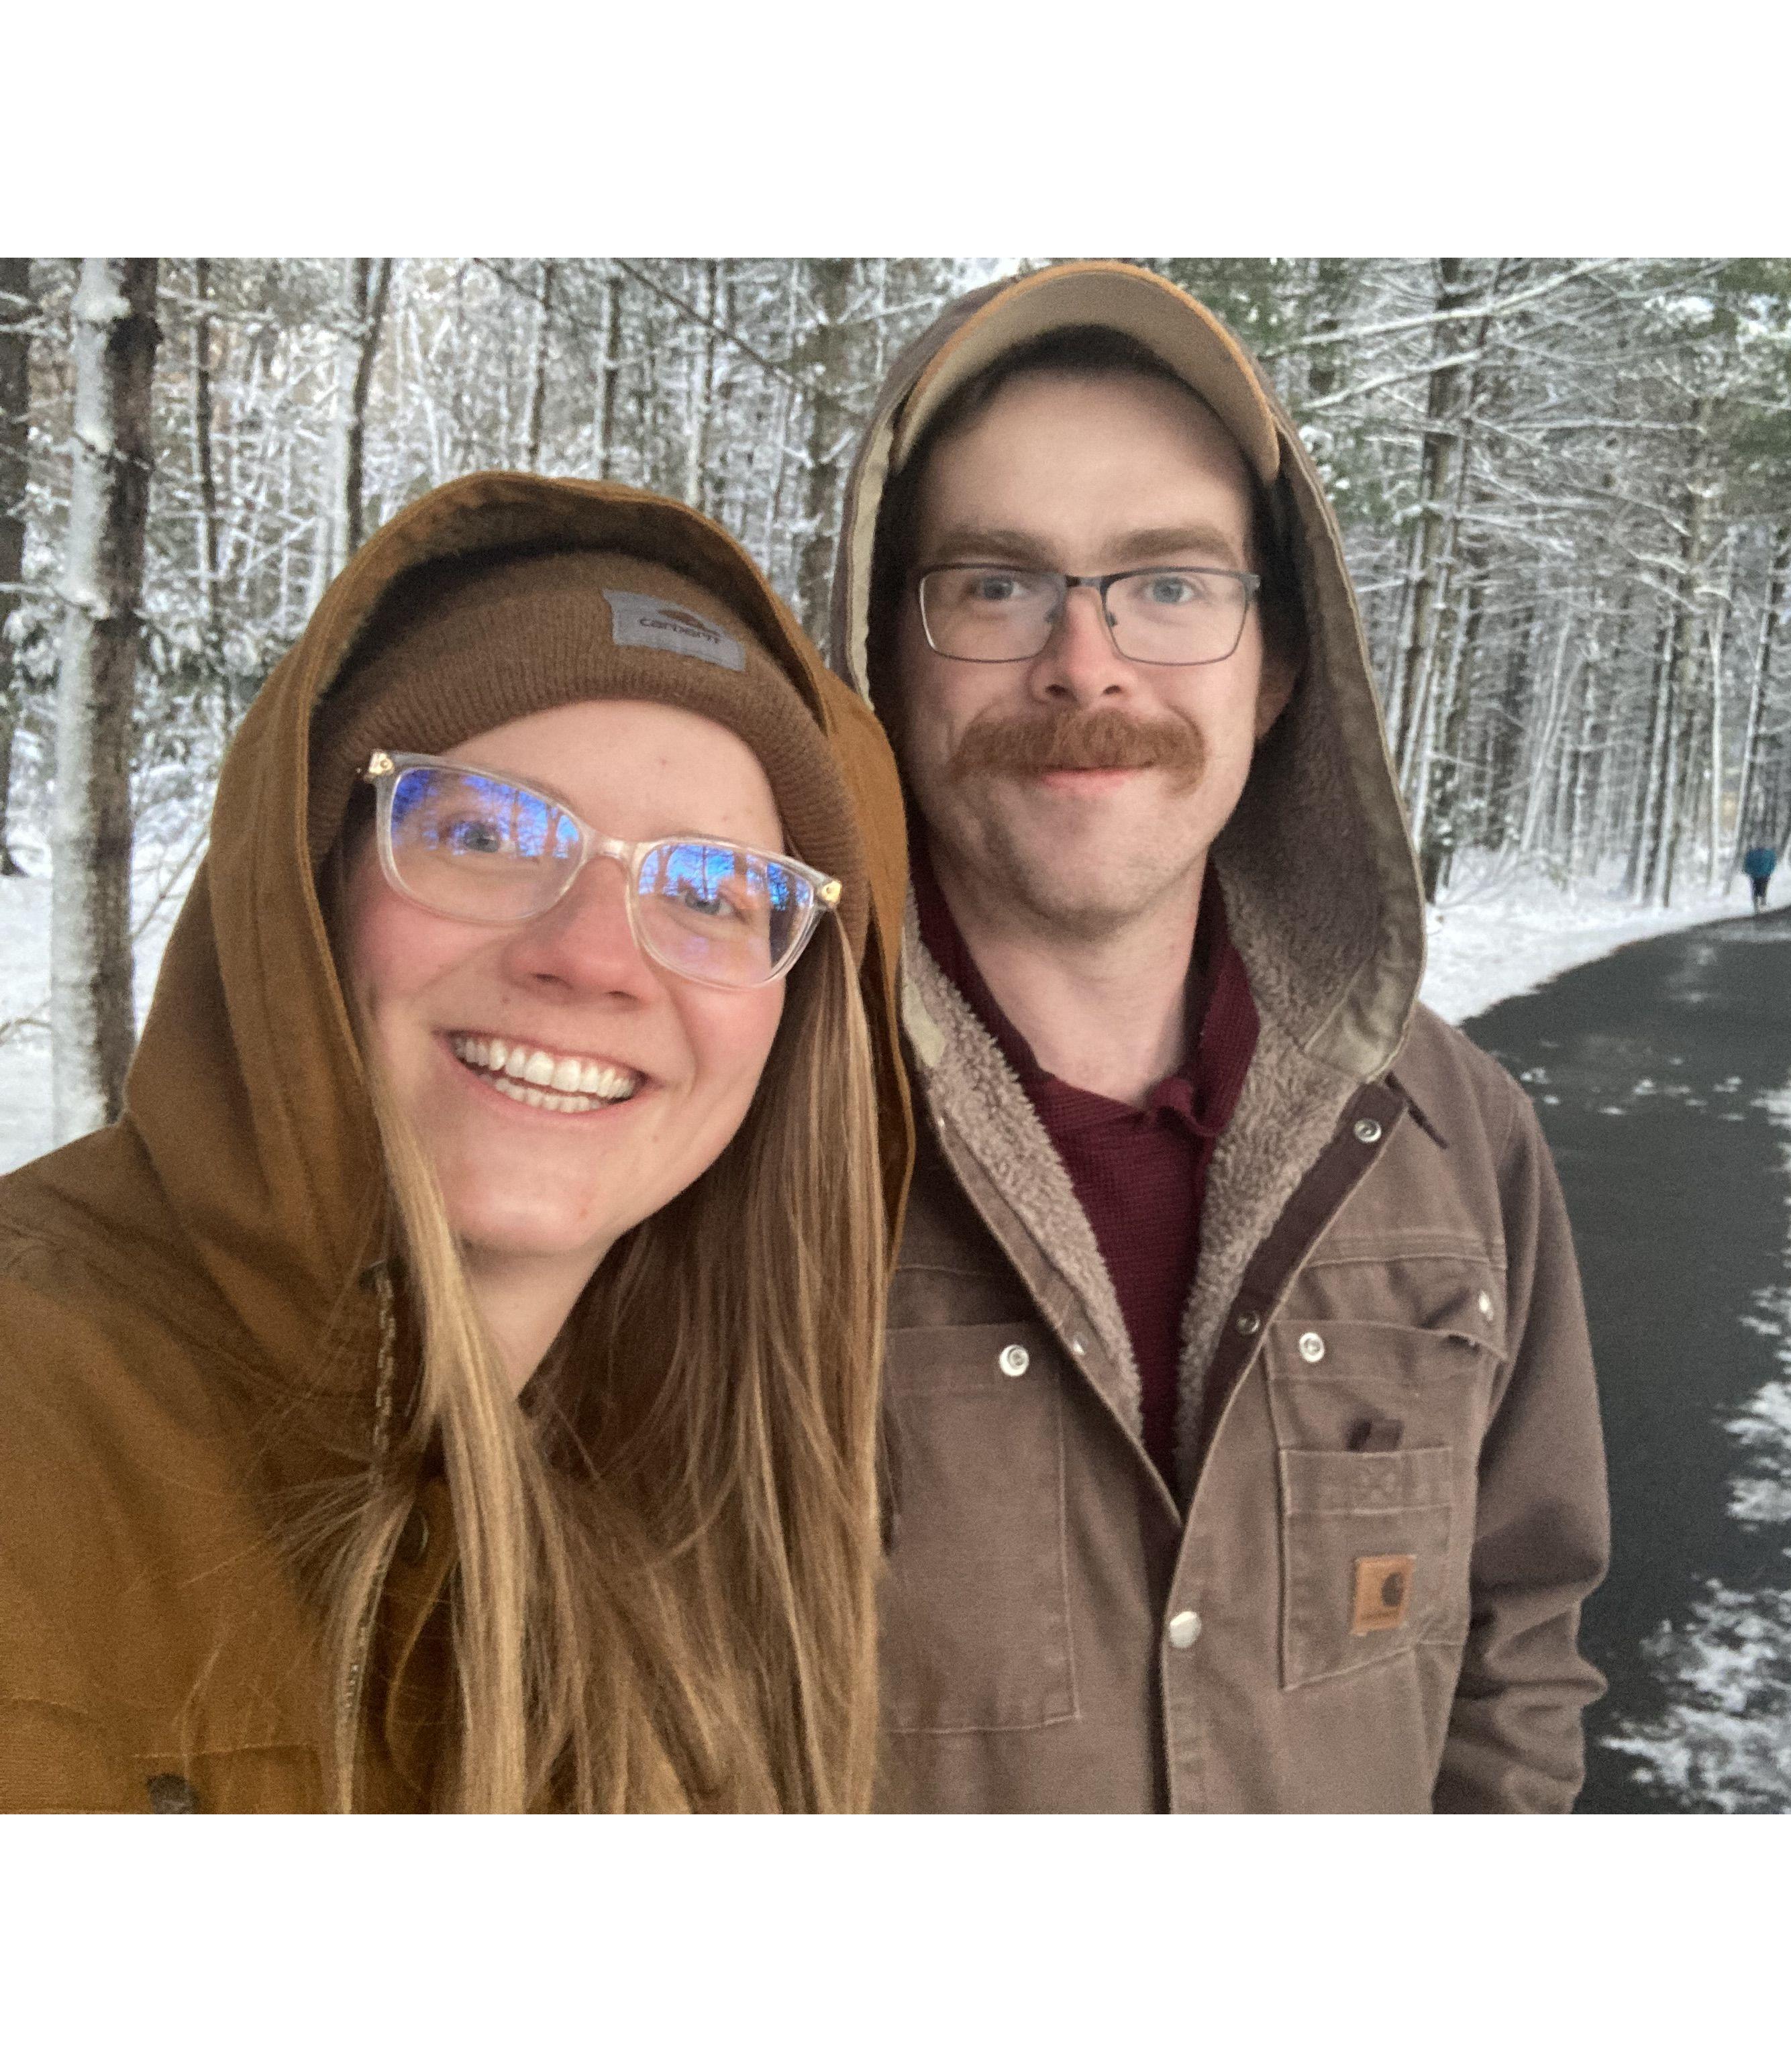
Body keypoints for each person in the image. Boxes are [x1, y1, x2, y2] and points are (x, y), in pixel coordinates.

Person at [0, 472, 910, 1813]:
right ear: (310, 877)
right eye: (484, 829)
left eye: (713, 889)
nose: (590, 956)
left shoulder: (729, 1533)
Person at [829, 262, 1610, 1812]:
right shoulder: (739, 1127)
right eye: (993, 585)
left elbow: (1515, 1638)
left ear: (1279, 671)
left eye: (1171, 586)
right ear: (882, 658)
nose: (1085, 660)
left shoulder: (1458, 1137)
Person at [1743, 841, 1778, 913]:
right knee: (1762, 889)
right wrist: (1769, 871)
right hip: (1762, 875)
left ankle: (1758, 906)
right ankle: (1761, 904)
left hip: (1757, 875)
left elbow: (1746, 864)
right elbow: (1773, 863)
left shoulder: (1752, 853)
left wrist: (1749, 872)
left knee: (1757, 890)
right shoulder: (1768, 853)